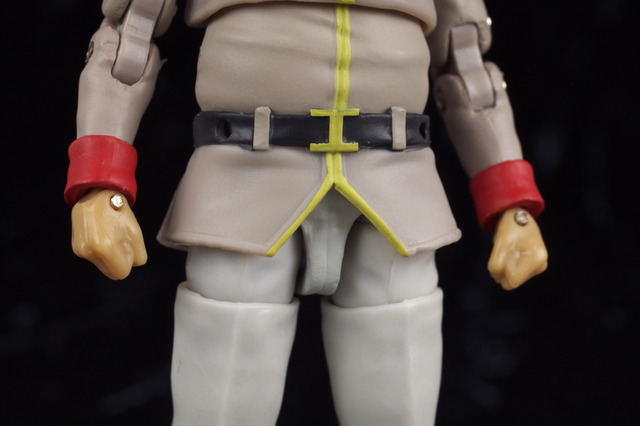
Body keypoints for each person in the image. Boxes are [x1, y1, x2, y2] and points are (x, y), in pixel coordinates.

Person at [65, 0, 548, 424]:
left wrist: (512, 203)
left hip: (396, 185)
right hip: (244, 181)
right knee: (223, 392)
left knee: (397, 395)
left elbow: (468, 73)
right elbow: (128, 42)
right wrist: (100, 180)